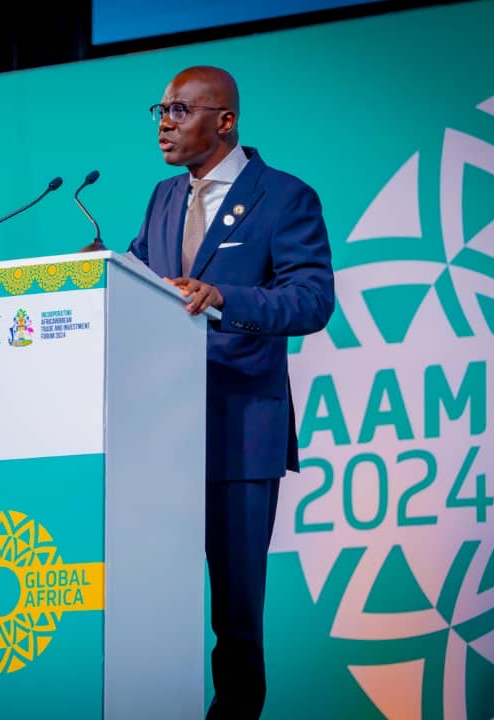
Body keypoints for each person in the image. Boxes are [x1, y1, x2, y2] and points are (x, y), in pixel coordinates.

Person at [129, 66, 335, 718]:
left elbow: (312, 300)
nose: (165, 121)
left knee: (236, 619)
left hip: (240, 429)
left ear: (225, 121)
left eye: (180, 110)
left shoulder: (283, 197)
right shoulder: (163, 198)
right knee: (156, 605)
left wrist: (225, 299)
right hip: (160, 436)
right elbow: (139, 281)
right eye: (160, 109)